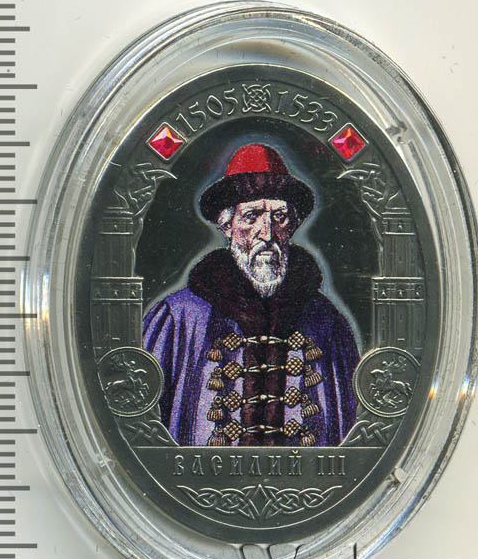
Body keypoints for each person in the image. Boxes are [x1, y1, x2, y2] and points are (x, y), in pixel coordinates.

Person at [143, 143, 360, 447]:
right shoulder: (178, 317)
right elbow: (142, 427)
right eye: (252, 216)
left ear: (292, 227)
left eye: (279, 217)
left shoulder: (327, 321)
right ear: (227, 225)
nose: (267, 233)